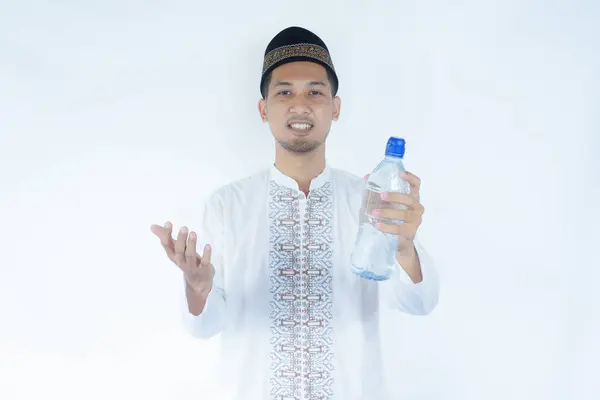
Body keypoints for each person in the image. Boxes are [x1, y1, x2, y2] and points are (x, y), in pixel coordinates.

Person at [151, 26, 440, 400]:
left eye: (315, 92)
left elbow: (420, 303)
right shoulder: (228, 205)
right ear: (263, 108)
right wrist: (198, 288)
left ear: (335, 108)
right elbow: (203, 327)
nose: (300, 105)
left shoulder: (368, 199)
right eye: (284, 91)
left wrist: (404, 248)